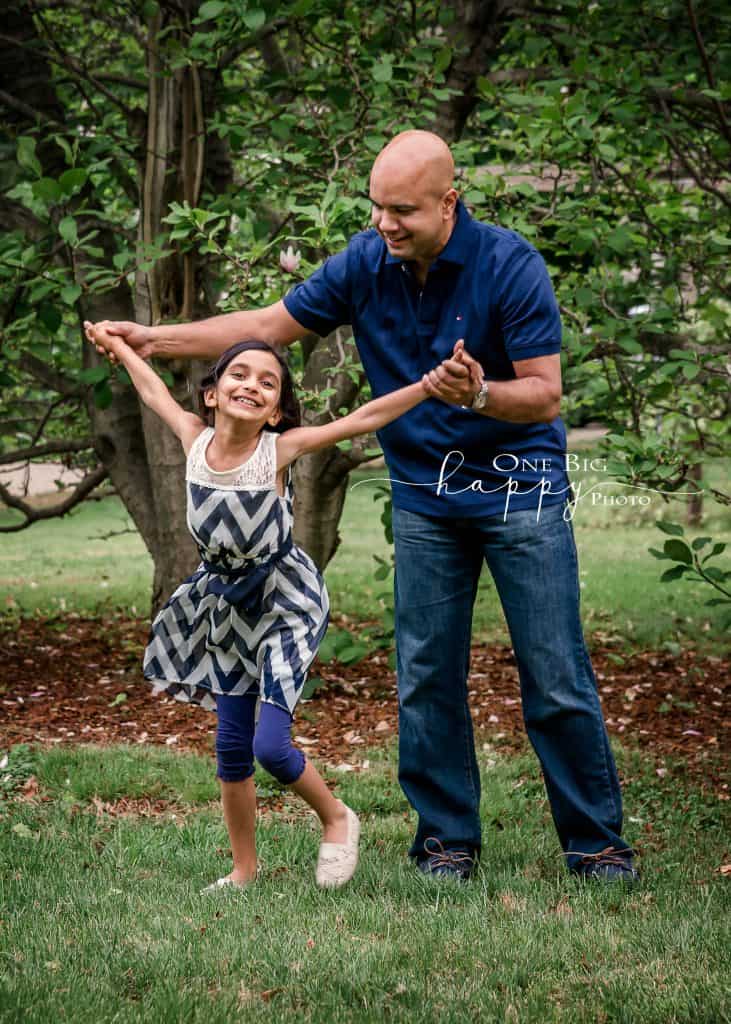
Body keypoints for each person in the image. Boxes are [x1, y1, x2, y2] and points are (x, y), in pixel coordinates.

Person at [89, 130, 638, 884]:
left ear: (449, 204)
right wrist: (155, 339)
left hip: (518, 486)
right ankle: (446, 842)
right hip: (422, 491)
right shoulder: (365, 261)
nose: (384, 224)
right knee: (424, 670)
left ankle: (596, 846)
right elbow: (269, 326)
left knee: (552, 671)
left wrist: (477, 391)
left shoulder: (509, 266)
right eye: (377, 207)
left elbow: (544, 392)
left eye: (402, 211)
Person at [85, 320, 439, 891]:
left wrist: (428, 385)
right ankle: (244, 870)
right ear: (212, 392)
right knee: (230, 748)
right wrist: (120, 345)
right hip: (226, 606)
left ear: (276, 410)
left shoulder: (278, 450)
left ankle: (336, 818)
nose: (252, 385)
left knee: (269, 746)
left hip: (283, 604)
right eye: (239, 374)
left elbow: (362, 418)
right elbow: (150, 389)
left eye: (268, 383)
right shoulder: (192, 438)